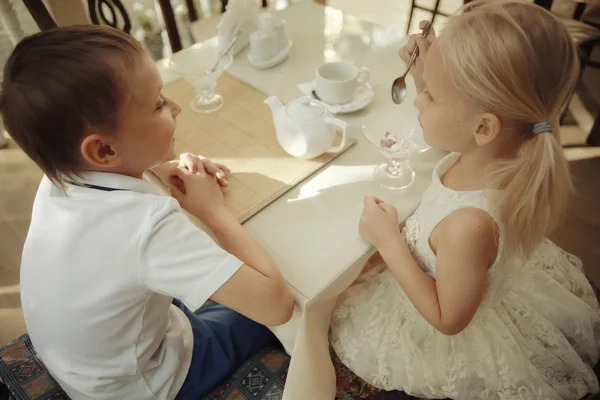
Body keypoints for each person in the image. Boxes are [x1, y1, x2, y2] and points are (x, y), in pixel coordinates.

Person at [0, 25, 294, 400]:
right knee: (288, 312)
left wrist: (154, 165)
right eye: (158, 104)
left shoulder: (57, 178)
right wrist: (212, 211)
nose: (176, 107)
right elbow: (276, 305)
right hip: (142, 384)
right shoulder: (148, 226)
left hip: (85, 368)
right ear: (104, 151)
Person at [329, 1, 600, 399]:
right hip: (466, 272)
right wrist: (431, 73)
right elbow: (457, 124)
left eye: (431, 97)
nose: (419, 101)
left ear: (485, 126)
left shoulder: (467, 226)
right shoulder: (505, 151)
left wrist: (388, 241)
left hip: (443, 318)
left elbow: (447, 318)